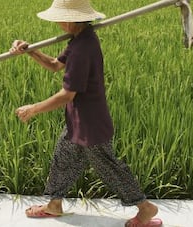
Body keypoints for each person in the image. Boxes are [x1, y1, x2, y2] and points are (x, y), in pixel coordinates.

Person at [10, 0, 162, 226]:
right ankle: (54, 204)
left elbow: (67, 95)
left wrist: (33, 109)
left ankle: (145, 208)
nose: (58, 22)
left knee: (110, 169)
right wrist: (31, 51)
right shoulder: (80, 39)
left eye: (60, 17)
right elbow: (54, 64)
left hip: (90, 125)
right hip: (77, 121)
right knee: (63, 158)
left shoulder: (83, 48)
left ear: (71, 19)